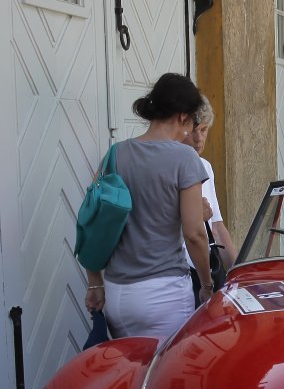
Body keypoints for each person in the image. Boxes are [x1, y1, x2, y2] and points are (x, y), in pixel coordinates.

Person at [84, 72, 212, 346]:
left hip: (117, 295)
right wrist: (206, 284)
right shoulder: (185, 158)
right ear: (182, 116)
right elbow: (194, 234)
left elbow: (91, 221)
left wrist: (95, 283)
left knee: (130, 368)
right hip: (164, 295)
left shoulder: (115, 154)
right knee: (166, 369)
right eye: (192, 122)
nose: (191, 131)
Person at [187, 101, 237, 296]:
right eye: (193, 130)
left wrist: (239, 273)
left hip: (206, 271)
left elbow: (217, 227)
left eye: (204, 130)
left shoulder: (205, 167)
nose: (199, 138)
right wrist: (193, 216)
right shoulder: (168, 168)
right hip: (181, 275)